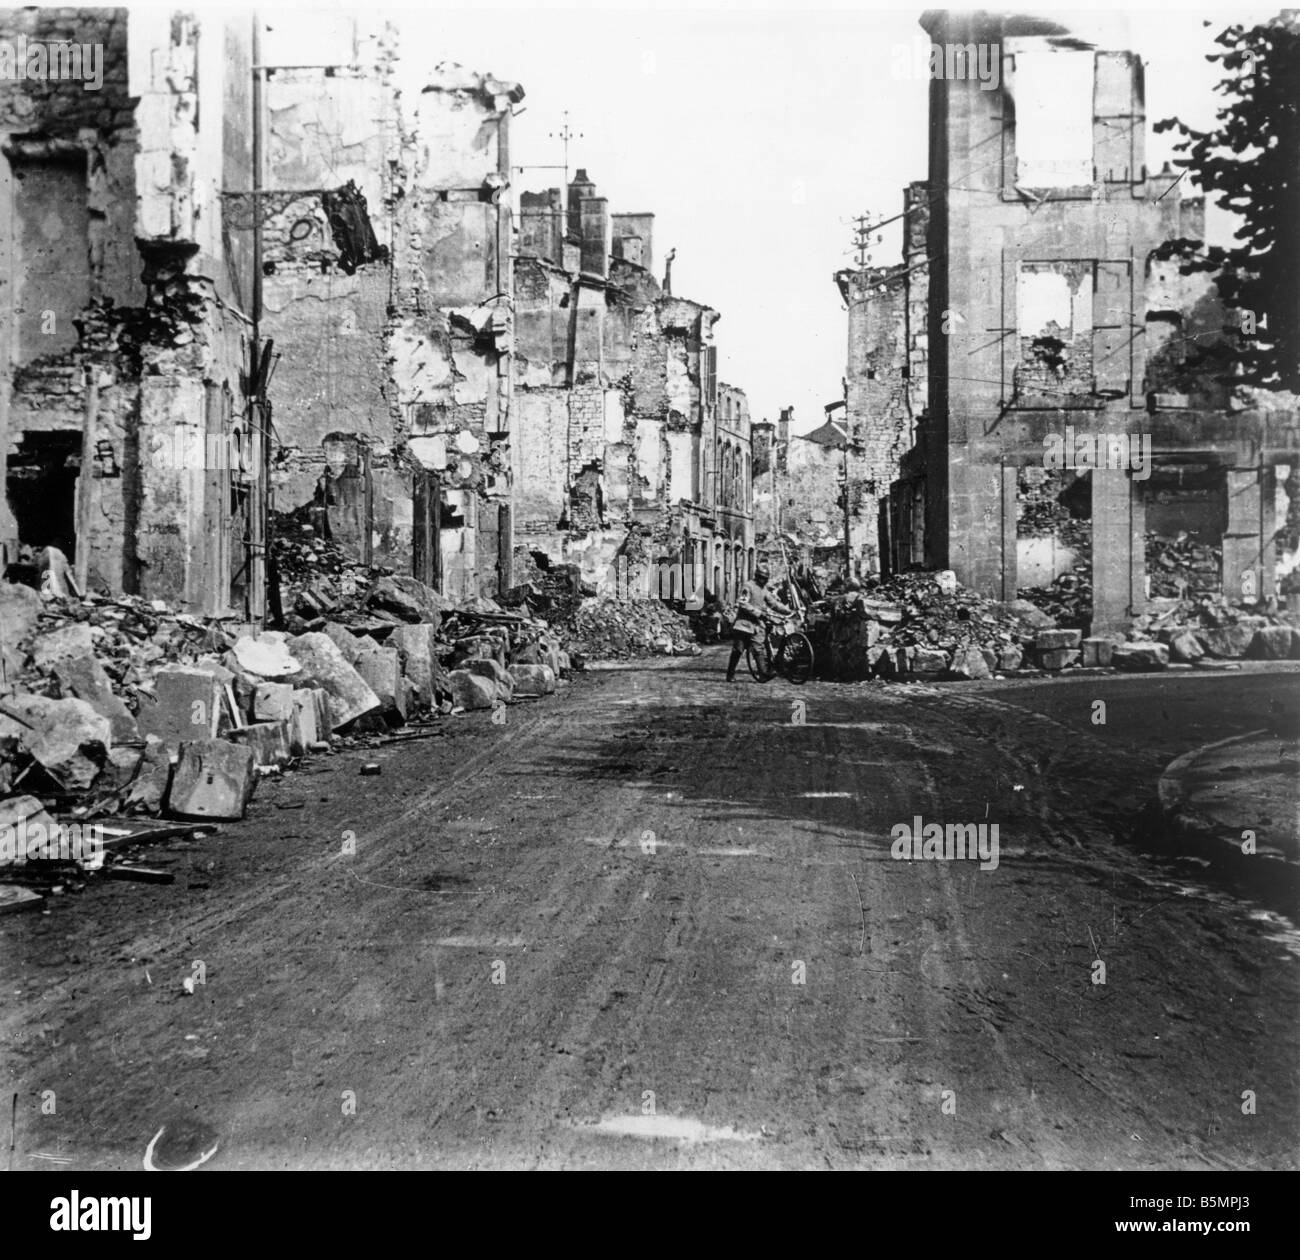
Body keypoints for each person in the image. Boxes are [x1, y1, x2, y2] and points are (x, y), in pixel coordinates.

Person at [726, 566, 795, 682]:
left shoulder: (764, 590)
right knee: (738, 650)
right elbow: (743, 603)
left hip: (757, 625)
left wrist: (789, 611)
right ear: (757, 576)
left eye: (766, 578)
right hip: (744, 624)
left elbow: (774, 604)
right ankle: (730, 673)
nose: (764, 580)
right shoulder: (748, 586)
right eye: (762, 578)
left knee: (758, 648)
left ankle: (763, 673)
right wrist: (758, 613)